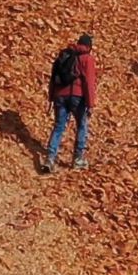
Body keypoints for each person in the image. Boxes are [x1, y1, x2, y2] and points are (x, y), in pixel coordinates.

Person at [42, 32, 97, 174]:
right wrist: (90, 104)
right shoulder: (87, 59)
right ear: (89, 46)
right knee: (81, 125)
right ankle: (78, 159)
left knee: (59, 127)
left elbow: (54, 77)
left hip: (60, 96)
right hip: (77, 97)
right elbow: (89, 82)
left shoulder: (65, 55)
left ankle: (50, 158)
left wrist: (51, 97)